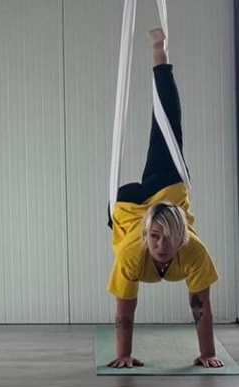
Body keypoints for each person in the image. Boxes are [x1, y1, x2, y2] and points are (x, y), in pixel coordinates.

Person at [106, 28, 220, 369]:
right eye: (155, 237)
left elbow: (200, 306)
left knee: (165, 133)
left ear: (181, 236)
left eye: (168, 238)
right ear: (146, 236)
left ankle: (159, 55)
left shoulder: (193, 251)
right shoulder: (133, 252)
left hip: (127, 204)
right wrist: (123, 355)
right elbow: (125, 310)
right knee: (168, 125)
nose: (161, 244)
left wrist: (208, 354)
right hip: (161, 192)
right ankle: (160, 55)